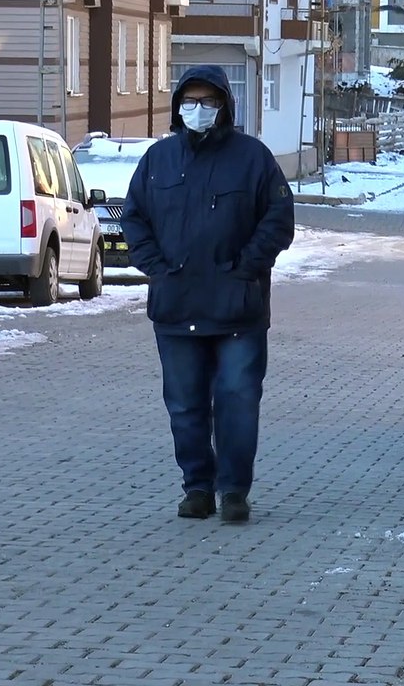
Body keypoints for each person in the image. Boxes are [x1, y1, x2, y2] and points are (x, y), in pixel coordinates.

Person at [121, 65, 295, 524]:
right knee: (185, 404)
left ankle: (234, 490)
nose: (198, 110)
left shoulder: (253, 159)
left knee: (237, 397)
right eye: (190, 101)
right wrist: (157, 268)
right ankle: (197, 487)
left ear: (224, 107)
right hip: (177, 307)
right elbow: (134, 217)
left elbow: (278, 219)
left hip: (237, 309)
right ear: (178, 107)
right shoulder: (158, 161)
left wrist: (245, 268)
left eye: (208, 102)